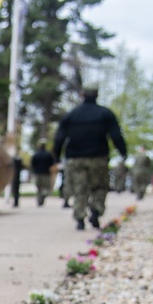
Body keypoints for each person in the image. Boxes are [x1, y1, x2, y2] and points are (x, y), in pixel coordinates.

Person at [53, 84, 127, 231]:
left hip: (76, 158)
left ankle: (80, 217)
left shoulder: (71, 115)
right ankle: (96, 210)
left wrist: (57, 156)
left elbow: (59, 138)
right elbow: (116, 135)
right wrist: (123, 152)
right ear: (97, 95)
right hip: (98, 157)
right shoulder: (105, 114)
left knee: (80, 188)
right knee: (100, 186)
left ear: (82, 95)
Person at [30, 141, 55, 207]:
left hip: (37, 173)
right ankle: (42, 196)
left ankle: (39, 199)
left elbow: (33, 164)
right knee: (46, 188)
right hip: (46, 173)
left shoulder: (36, 155)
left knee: (39, 188)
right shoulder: (48, 155)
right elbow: (52, 164)